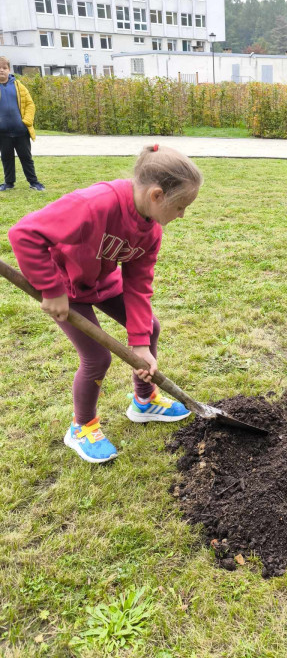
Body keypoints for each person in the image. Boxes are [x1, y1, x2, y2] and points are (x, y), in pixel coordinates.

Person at [8, 144, 203, 462]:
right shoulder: (94, 204)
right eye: (181, 206)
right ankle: (81, 426)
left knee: (149, 328)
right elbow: (25, 234)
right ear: (156, 195)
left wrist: (139, 344)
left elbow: (138, 286)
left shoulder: (150, 230)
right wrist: (52, 288)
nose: (182, 214)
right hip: (68, 288)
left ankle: (144, 402)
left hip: (102, 282)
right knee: (97, 358)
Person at [0, 56, 45, 192]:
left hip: (21, 132)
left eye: (4, 68)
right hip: (3, 134)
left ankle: (33, 182)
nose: (1, 70)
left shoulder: (19, 86)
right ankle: (9, 183)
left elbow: (30, 104)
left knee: (26, 158)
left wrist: (26, 121)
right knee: (6, 158)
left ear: (9, 70)